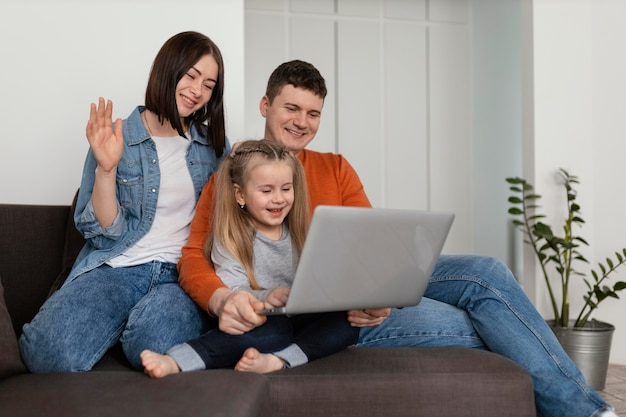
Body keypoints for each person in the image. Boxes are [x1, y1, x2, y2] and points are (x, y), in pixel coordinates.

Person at [178, 60, 618, 417]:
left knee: (485, 273)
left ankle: (583, 412)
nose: (301, 122)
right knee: (486, 320)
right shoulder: (234, 174)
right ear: (264, 105)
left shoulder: (335, 167)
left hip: (356, 289)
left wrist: (380, 288)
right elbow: (193, 257)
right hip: (318, 311)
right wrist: (220, 299)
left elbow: (372, 242)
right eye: (290, 108)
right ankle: (581, 411)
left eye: (313, 113)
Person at [18, 31, 230, 372]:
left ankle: (126, 325)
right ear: (167, 70)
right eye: (190, 75)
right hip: (119, 267)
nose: (197, 91)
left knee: (153, 347)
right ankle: (114, 318)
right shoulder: (119, 136)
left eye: (208, 84)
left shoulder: (215, 146)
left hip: (179, 275)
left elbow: (228, 221)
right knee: (47, 355)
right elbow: (105, 233)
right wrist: (106, 169)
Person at [141, 139, 359, 377]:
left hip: (301, 315)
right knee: (275, 331)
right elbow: (234, 288)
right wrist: (267, 297)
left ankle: (280, 360)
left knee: (347, 323)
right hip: (259, 318)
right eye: (266, 191)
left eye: (286, 189)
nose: (279, 199)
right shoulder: (233, 237)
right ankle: (176, 361)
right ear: (240, 195)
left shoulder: (300, 232)